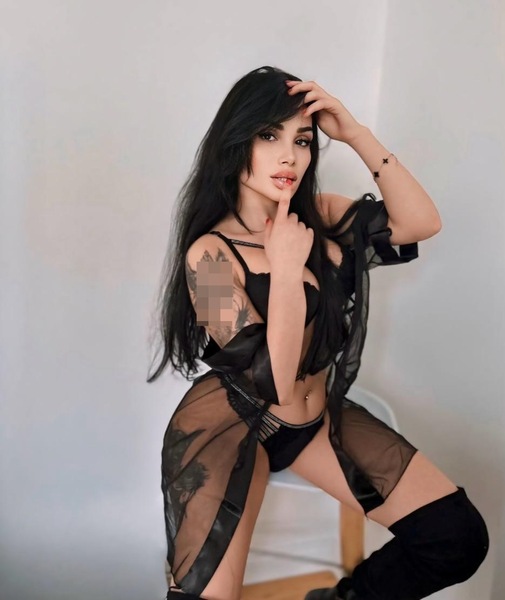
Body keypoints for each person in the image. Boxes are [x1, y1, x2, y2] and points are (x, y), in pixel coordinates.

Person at [146, 66, 489, 600]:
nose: (289, 156)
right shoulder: (207, 257)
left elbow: (421, 223)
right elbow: (274, 384)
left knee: (456, 538)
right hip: (232, 423)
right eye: (269, 136)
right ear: (236, 142)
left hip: (313, 421)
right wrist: (285, 271)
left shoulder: (321, 216)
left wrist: (353, 132)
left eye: (302, 140)